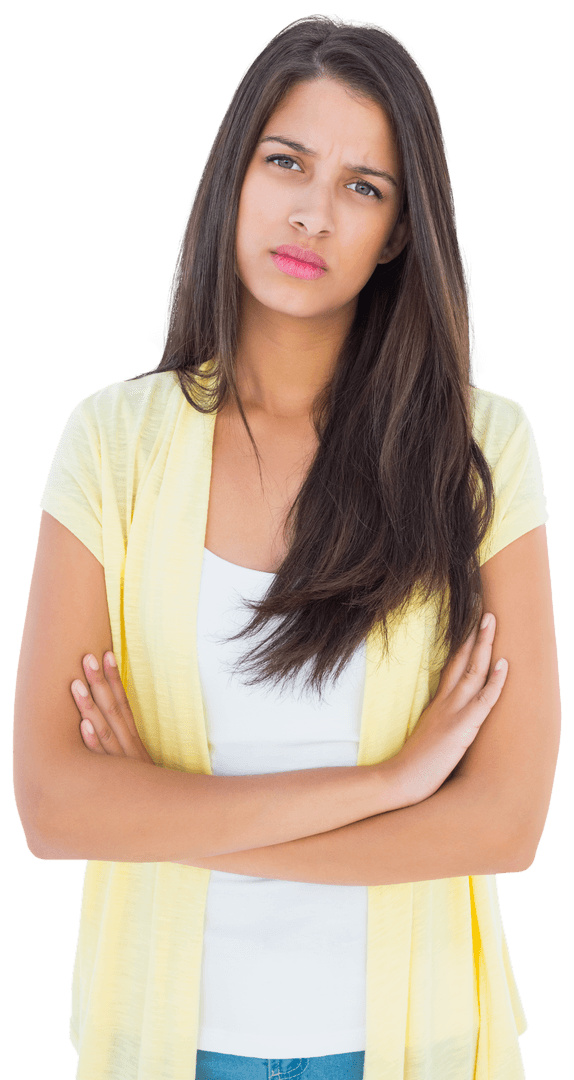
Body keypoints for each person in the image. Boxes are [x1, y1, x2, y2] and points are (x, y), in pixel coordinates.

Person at [12, 13, 560, 1080]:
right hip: (165, 1044)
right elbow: (52, 804)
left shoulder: (482, 450)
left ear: (399, 231)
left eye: (363, 187)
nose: (313, 211)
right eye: (286, 162)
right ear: (234, 176)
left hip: (413, 1045)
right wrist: (397, 781)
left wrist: (163, 818)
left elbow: (505, 825)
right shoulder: (112, 445)